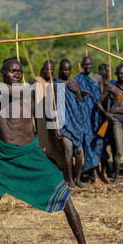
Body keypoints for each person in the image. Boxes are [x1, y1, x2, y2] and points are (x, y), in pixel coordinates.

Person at [0, 36, 102, 244]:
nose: (17, 74)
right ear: (3, 74)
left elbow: (58, 93)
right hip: (6, 158)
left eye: (19, 71)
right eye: (12, 71)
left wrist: (76, 91)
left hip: (31, 154)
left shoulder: (28, 92)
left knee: (67, 199)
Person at [75, 56, 106, 184]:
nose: (87, 67)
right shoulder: (78, 78)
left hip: (98, 115)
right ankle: (94, 174)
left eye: (89, 64)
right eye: (85, 65)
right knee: (88, 144)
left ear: (92, 65)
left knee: (100, 143)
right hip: (85, 116)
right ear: (82, 65)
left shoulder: (98, 78)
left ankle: (102, 172)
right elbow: (75, 96)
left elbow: (104, 94)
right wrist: (81, 94)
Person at [53, 59, 84, 188]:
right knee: (68, 151)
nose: (66, 72)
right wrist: (55, 127)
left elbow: (81, 102)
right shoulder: (56, 84)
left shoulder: (73, 82)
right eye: (64, 69)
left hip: (76, 123)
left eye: (68, 69)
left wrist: (77, 92)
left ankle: (78, 179)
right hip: (63, 124)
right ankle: (70, 179)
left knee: (79, 153)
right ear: (60, 70)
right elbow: (52, 106)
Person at [33, 60, 64, 169]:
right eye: (46, 70)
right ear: (43, 69)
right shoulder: (37, 82)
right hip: (41, 119)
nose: (48, 72)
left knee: (57, 147)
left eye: (51, 70)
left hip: (55, 118)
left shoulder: (56, 82)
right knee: (44, 145)